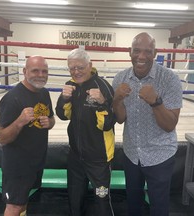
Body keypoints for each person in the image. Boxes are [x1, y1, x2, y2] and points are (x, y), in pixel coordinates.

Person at [112, 32, 183, 216]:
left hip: (159, 154)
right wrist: (117, 100)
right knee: (133, 205)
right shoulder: (120, 78)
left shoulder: (169, 79)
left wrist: (155, 102)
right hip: (131, 153)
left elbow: (170, 125)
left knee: (159, 208)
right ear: (130, 52)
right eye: (137, 51)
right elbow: (120, 119)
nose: (141, 56)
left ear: (155, 52)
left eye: (147, 51)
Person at [56, 48, 115, 216]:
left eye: (80, 67)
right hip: (76, 156)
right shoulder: (70, 85)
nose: (76, 72)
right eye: (72, 68)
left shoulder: (103, 86)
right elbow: (62, 115)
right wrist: (64, 99)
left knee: (102, 201)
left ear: (90, 65)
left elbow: (108, 124)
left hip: (99, 159)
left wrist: (102, 103)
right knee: (75, 201)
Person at [0, 55, 55, 216]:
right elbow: (2, 138)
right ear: (25, 71)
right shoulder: (12, 98)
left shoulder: (44, 93)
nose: (40, 75)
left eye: (44, 71)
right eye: (35, 70)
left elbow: (52, 120)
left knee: (23, 203)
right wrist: (19, 121)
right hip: (18, 165)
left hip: (36, 162)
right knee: (14, 206)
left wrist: (49, 122)